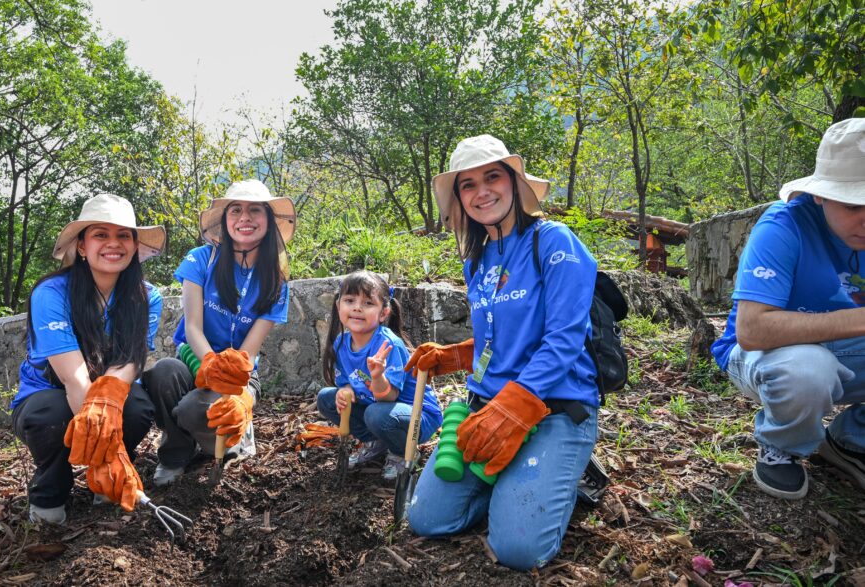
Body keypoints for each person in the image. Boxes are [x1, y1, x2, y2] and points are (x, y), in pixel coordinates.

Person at [404, 135, 600, 570]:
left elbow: (564, 339)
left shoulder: (553, 242)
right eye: (468, 185)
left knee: (518, 550)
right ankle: (517, 482)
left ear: (514, 182)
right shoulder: (477, 259)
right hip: (487, 410)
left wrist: (515, 406)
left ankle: (556, 475)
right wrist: (455, 357)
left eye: (492, 177)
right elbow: (501, 339)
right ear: (459, 198)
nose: (482, 192)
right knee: (427, 519)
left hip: (556, 408)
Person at [711, 118, 865, 500]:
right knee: (808, 370)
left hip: (844, 348)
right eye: (853, 205)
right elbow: (753, 330)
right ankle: (782, 445)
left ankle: (851, 438)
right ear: (821, 195)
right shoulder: (783, 226)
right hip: (767, 355)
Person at [10, 193, 165, 525]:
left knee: (136, 408)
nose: (114, 243)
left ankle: (108, 483)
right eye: (101, 234)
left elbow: (130, 359)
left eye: (123, 235)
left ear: (135, 245)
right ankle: (50, 493)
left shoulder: (147, 297)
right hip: (52, 392)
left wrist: (108, 406)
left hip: (107, 390)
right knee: (50, 416)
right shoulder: (51, 293)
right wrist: (110, 451)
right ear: (81, 246)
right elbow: (74, 378)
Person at [146, 179, 294, 486]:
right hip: (195, 357)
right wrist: (210, 363)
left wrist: (236, 391)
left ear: (269, 219)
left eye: (255, 210)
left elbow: (248, 351)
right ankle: (175, 453)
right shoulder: (200, 259)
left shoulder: (276, 281)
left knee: (195, 410)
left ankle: (229, 438)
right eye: (235, 210)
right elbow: (193, 327)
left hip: (239, 372)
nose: (244, 218)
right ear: (225, 220)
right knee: (163, 373)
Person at [315, 271, 443, 480]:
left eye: (368, 303)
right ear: (338, 306)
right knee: (326, 398)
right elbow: (345, 381)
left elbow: (389, 397)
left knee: (375, 414)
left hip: (416, 417)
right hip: (378, 410)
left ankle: (403, 452)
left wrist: (377, 376)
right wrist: (345, 391)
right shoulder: (341, 343)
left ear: (383, 313)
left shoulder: (388, 344)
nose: (357, 307)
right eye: (349, 300)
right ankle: (377, 442)